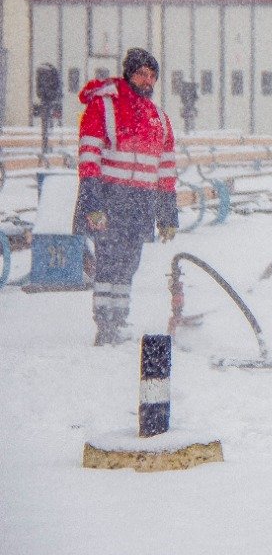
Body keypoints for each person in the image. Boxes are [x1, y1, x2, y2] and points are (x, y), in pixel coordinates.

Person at [74, 48, 178, 345]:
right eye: (142, 74)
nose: (147, 81)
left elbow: (166, 169)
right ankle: (104, 323)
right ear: (128, 74)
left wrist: (168, 214)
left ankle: (119, 319)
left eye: (152, 76)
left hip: (140, 201)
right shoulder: (104, 107)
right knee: (108, 260)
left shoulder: (158, 118)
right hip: (110, 197)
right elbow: (89, 157)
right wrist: (92, 203)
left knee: (129, 262)